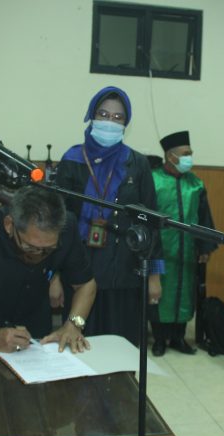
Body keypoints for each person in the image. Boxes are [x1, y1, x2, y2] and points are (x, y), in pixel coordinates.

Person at [55, 86, 162, 346]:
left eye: (117, 117)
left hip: (124, 272)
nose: (109, 122)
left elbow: (150, 222)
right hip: (78, 273)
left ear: (126, 123)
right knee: (79, 346)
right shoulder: (71, 160)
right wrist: (54, 276)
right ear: (91, 116)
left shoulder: (137, 163)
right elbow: (58, 223)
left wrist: (154, 276)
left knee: (121, 347)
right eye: (103, 114)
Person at [0, 185, 96, 354]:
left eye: (49, 250)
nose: (39, 256)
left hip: (36, 345)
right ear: (9, 225)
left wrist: (74, 325)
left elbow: (86, 285)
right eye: (30, 248)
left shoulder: (67, 228)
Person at [149, 130, 217, 356]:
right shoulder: (153, 180)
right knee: (160, 294)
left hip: (187, 250)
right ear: (170, 156)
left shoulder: (195, 184)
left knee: (184, 293)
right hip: (160, 250)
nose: (189, 157)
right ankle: (159, 339)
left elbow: (204, 217)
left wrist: (205, 247)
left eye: (190, 153)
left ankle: (178, 338)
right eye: (185, 153)